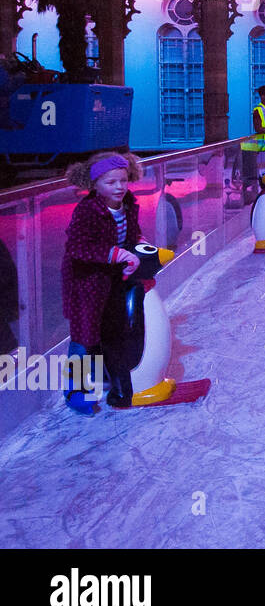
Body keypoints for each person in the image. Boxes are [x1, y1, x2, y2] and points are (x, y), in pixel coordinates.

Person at [60, 151, 148, 415]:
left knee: (113, 330)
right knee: (84, 337)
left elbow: (131, 233)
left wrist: (139, 246)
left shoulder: (129, 203)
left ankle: (108, 377)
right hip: (85, 284)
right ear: (95, 184)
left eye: (123, 180)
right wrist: (115, 253)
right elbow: (77, 247)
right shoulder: (87, 210)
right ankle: (75, 389)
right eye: (111, 182)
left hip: (114, 280)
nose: (119, 187)